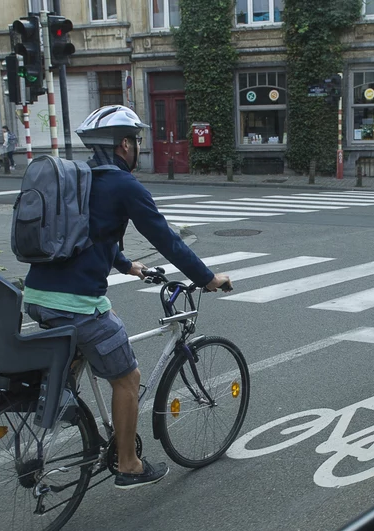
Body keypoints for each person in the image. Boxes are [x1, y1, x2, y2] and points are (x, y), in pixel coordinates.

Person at [22, 105, 232, 490]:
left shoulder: (81, 178)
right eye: (136, 140)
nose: (138, 147)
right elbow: (166, 239)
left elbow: (86, 235)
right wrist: (206, 278)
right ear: (123, 145)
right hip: (75, 303)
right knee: (128, 377)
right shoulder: (124, 185)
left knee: (93, 334)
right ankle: (129, 464)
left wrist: (127, 265)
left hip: (37, 295)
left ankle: (63, 406)